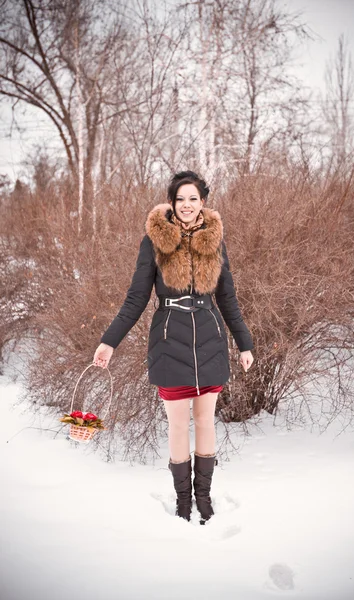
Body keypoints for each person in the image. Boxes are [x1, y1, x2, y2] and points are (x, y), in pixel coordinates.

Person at [93, 170, 254, 524]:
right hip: (169, 341)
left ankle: (204, 496)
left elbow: (227, 298)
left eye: (193, 198)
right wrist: (109, 342)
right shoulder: (153, 242)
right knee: (178, 425)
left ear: (203, 203)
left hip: (210, 340)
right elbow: (136, 299)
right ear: (171, 202)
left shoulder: (216, 241)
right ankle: (183, 499)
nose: (186, 205)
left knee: (206, 421)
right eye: (180, 199)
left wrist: (244, 343)